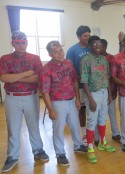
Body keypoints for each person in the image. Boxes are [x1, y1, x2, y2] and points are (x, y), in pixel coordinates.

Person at [0, 31, 49, 173]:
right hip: (12, 97)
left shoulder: (34, 58)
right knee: (13, 128)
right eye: (17, 42)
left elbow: (38, 78)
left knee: (33, 124)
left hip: (31, 96)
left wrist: (14, 77)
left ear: (27, 42)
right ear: (13, 43)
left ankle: (38, 150)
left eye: (23, 42)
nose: (20, 45)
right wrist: (27, 73)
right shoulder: (5, 58)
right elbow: (4, 78)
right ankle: (12, 156)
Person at [40, 41, 87, 166]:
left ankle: (78, 145)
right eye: (56, 52)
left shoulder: (68, 63)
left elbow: (75, 81)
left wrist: (77, 98)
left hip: (71, 100)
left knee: (75, 124)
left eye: (60, 50)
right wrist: (51, 110)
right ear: (50, 54)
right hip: (57, 102)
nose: (60, 53)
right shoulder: (47, 69)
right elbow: (45, 92)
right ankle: (60, 153)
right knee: (58, 129)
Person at [80, 36, 115, 164]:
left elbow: (107, 77)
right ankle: (90, 149)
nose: (98, 46)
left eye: (99, 44)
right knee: (91, 120)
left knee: (102, 119)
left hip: (104, 91)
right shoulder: (86, 60)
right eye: (95, 44)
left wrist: (109, 94)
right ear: (90, 45)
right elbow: (83, 82)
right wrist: (91, 99)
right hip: (93, 94)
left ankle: (102, 143)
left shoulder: (103, 59)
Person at [66, 25, 91, 146]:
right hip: (80, 86)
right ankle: (84, 132)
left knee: (92, 108)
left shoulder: (92, 47)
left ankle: (93, 132)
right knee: (82, 109)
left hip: (93, 86)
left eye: (88, 35)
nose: (87, 38)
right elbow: (70, 69)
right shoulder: (72, 50)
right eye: (85, 36)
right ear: (79, 36)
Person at [95, 39, 121, 144]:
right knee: (98, 114)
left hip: (110, 91)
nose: (99, 48)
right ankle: (97, 137)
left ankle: (116, 133)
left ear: (105, 46)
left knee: (112, 113)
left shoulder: (111, 58)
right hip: (97, 91)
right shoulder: (94, 59)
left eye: (101, 46)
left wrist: (113, 91)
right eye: (98, 46)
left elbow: (113, 76)